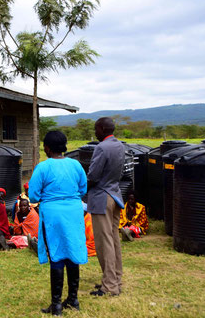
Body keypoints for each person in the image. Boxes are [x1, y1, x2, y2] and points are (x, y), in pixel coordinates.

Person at [29, 130, 88, 315]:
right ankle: (73, 299)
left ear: (46, 147)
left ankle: (56, 305)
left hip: (53, 214)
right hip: (74, 211)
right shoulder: (76, 165)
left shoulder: (43, 167)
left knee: (56, 254)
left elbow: (33, 195)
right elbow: (83, 188)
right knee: (71, 250)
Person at [86, 117, 125, 297]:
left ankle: (109, 286)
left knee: (104, 242)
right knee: (114, 238)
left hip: (101, 198)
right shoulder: (119, 145)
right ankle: (115, 279)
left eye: (96, 129)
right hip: (115, 195)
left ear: (102, 129)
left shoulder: (101, 147)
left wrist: (81, 187)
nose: (95, 132)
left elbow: (93, 176)